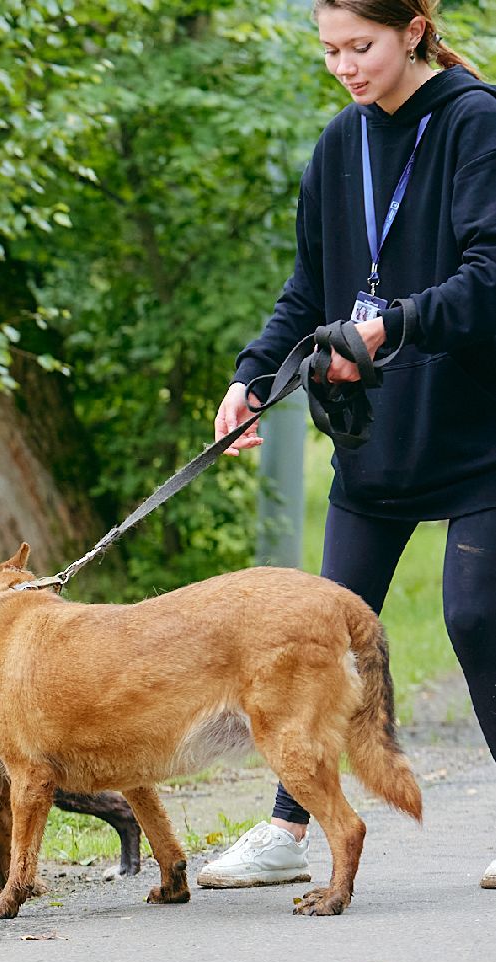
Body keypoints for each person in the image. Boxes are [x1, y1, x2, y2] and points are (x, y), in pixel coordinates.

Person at [208, 0, 496, 890]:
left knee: (476, 614)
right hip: (377, 442)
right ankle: (289, 829)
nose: (344, 66)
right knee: (312, 640)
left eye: (360, 46)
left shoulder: (474, 121)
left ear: (414, 28)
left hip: (480, 432)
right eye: (329, 49)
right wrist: (251, 379)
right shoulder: (340, 142)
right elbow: (308, 284)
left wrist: (389, 329)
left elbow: (488, 278)